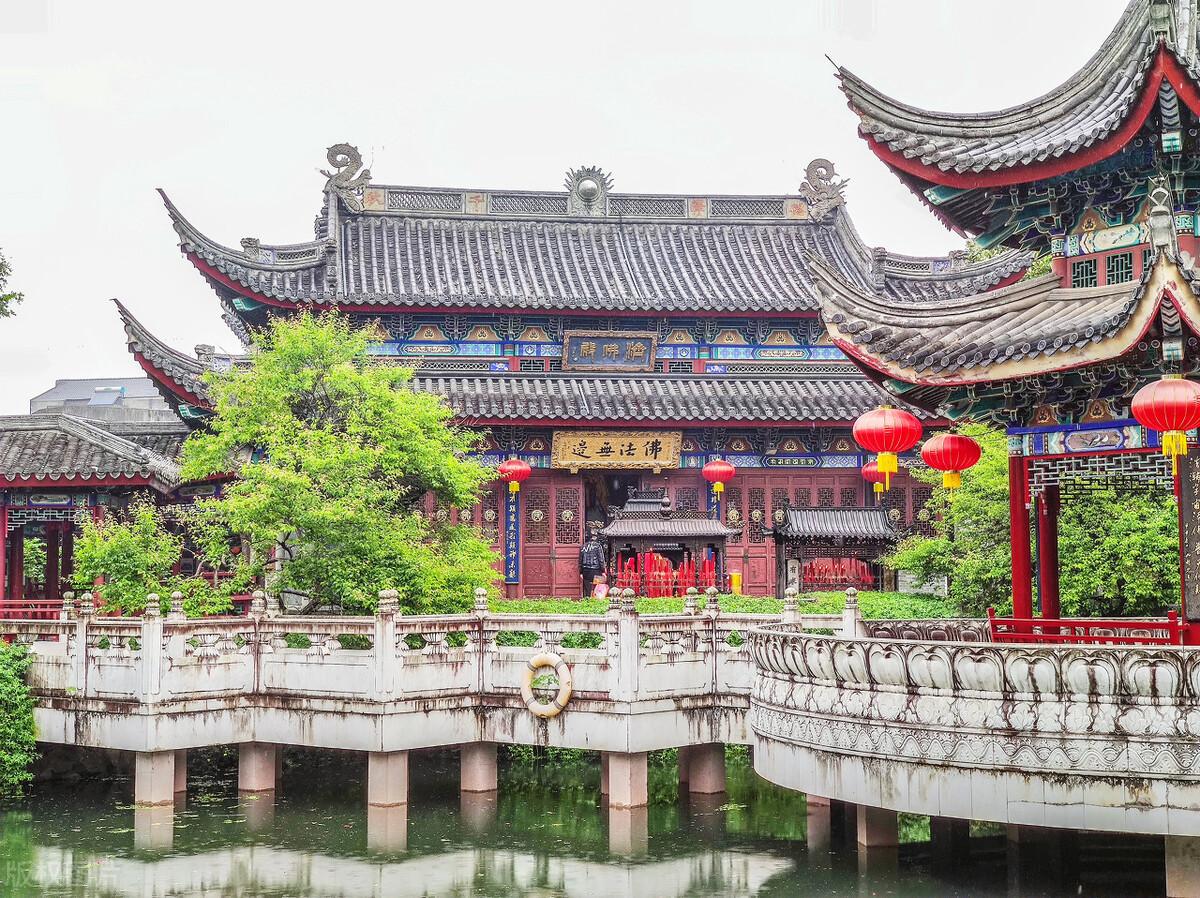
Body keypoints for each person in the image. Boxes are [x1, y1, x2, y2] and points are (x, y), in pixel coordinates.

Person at [579, 526, 606, 599]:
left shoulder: (583, 546)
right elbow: (601, 559)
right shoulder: (598, 546)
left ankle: (587, 602)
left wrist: (581, 572)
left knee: (587, 590)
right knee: (598, 589)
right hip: (596, 570)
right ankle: (597, 602)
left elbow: (580, 560)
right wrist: (603, 571)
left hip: (586, 571)